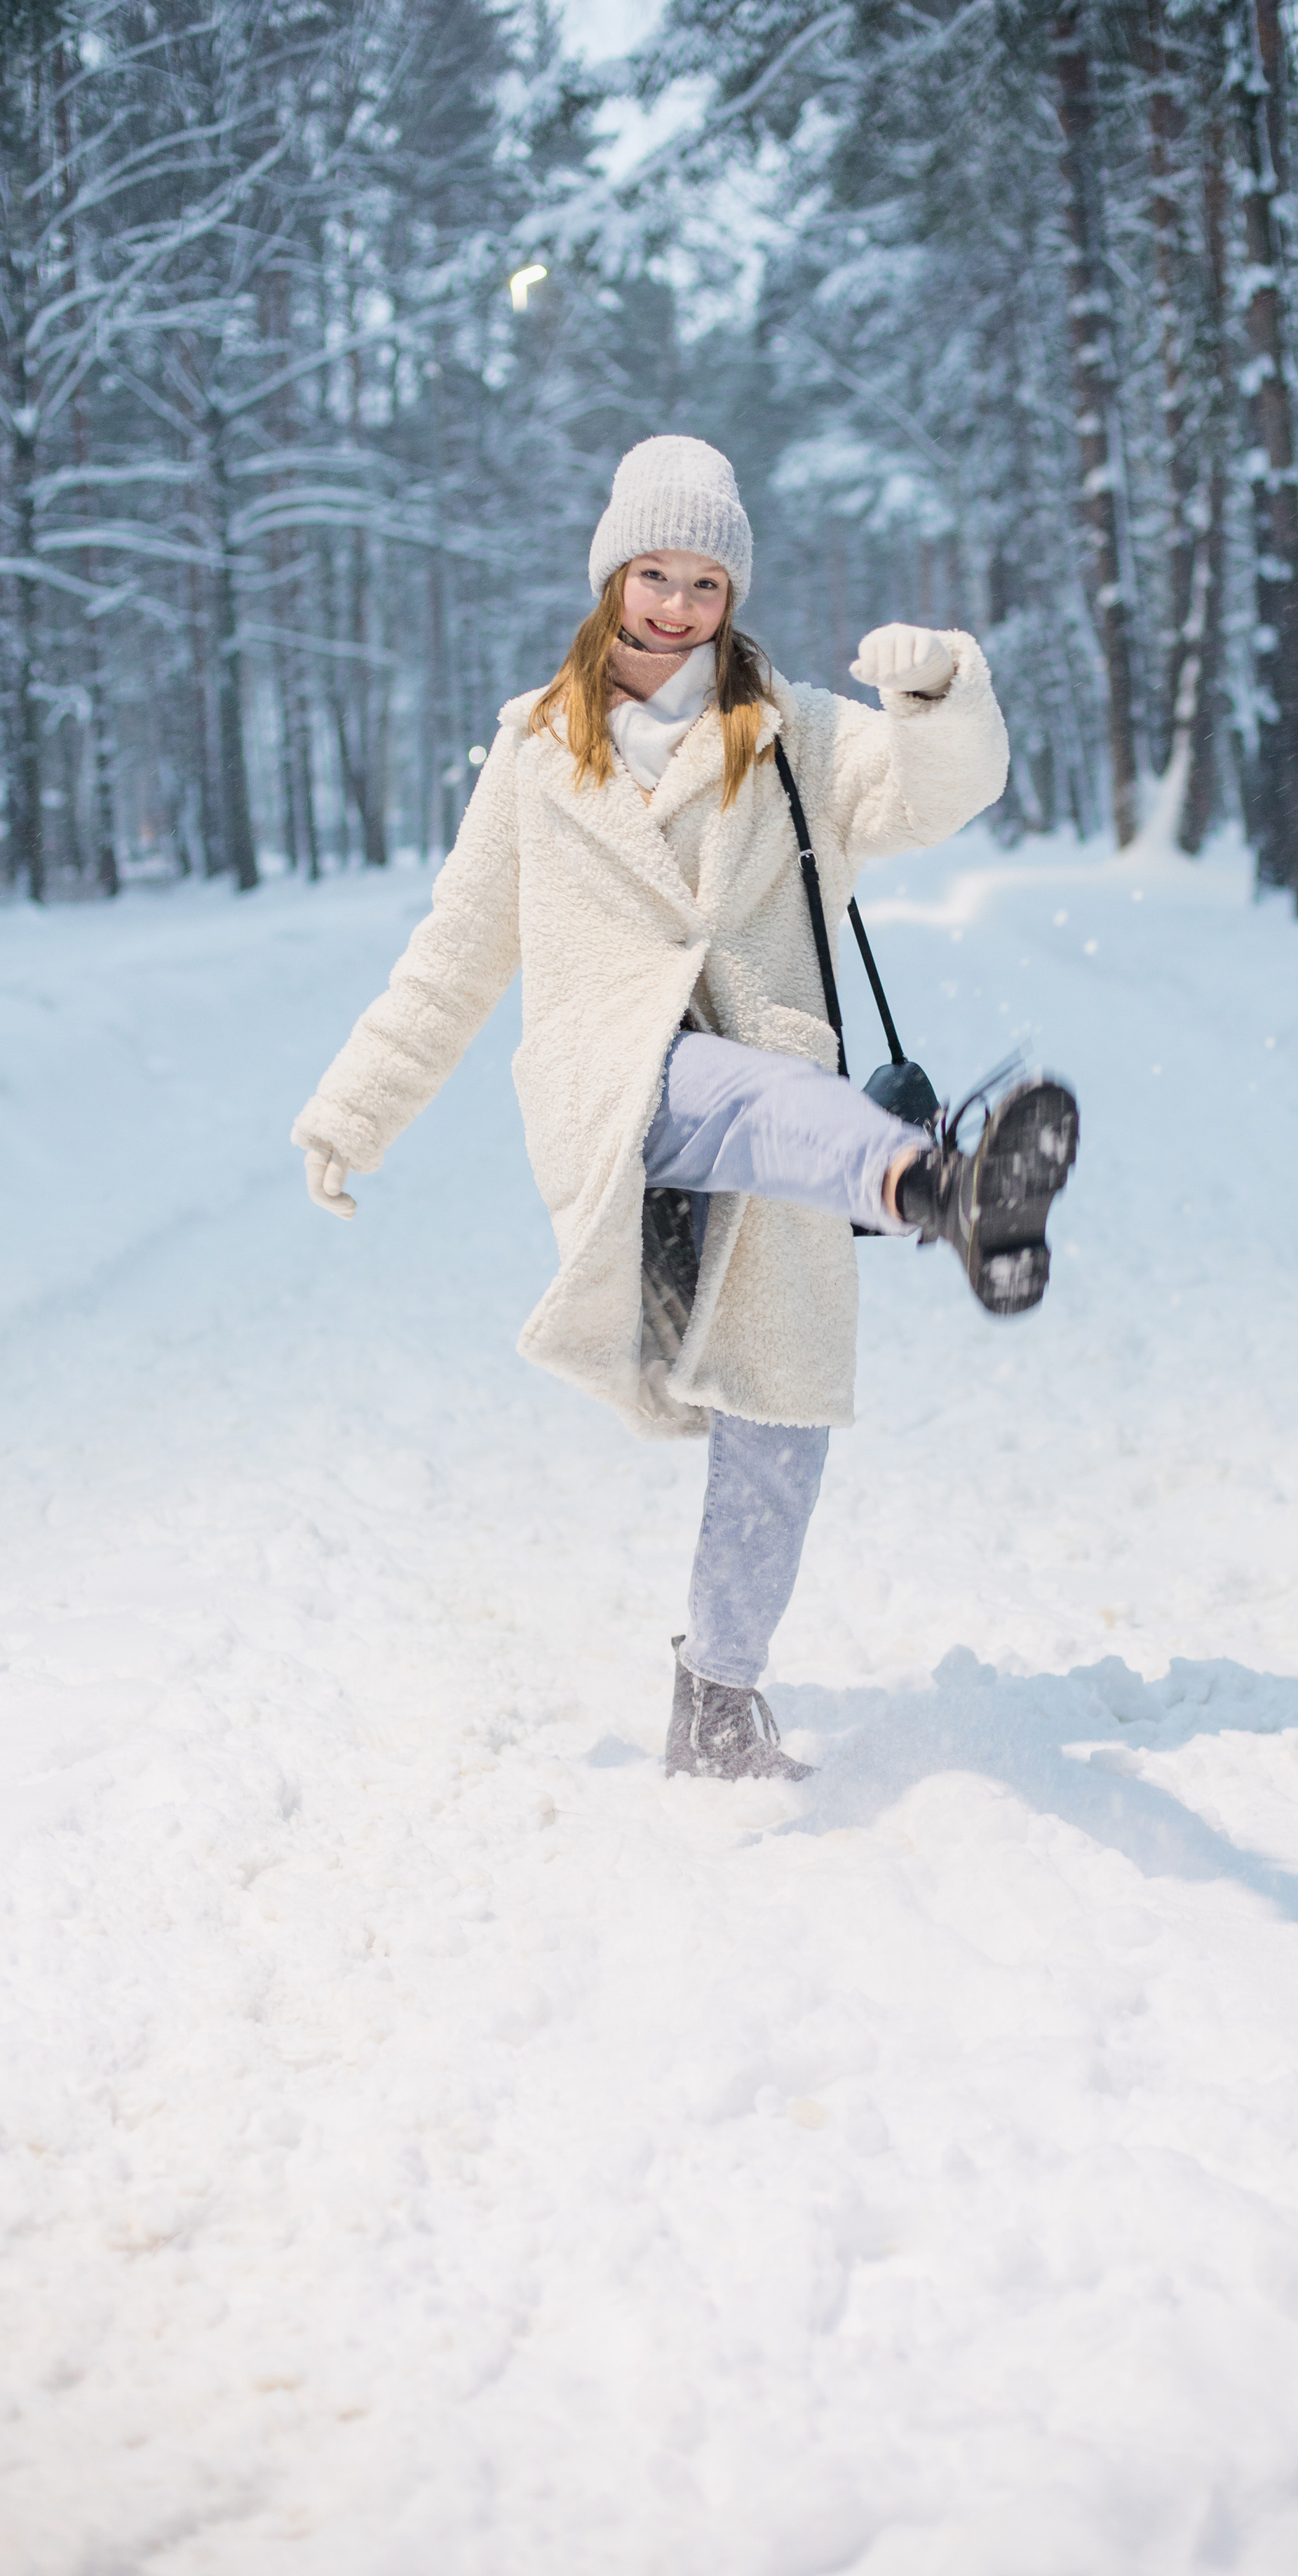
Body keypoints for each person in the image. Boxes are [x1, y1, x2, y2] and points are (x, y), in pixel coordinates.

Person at [292, 436, 1077, 1784]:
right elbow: (457, 952)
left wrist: (939, 692)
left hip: (788, 1129)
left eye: (705, 581)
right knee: (750, 1087)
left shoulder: (795, 732)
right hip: (622, 1088)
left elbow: (943, 790)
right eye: (654, 574)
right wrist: (352, 1113)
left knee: (780, 1413)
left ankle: (718, 1699)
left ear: (733, 592)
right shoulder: (538, 752)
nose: (676, 604)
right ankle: (940, 1189)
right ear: (612, 577)